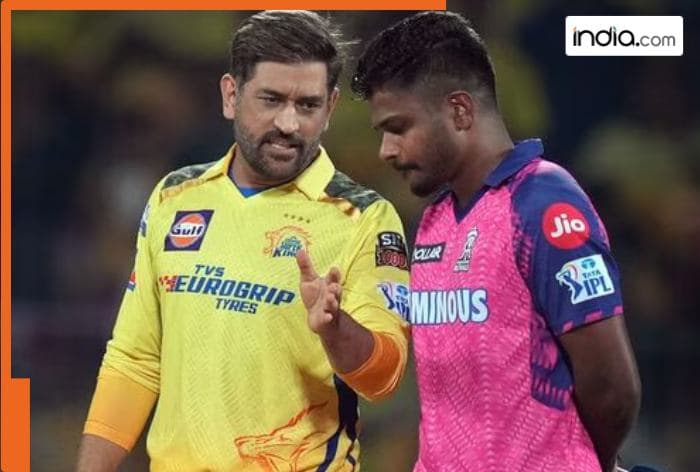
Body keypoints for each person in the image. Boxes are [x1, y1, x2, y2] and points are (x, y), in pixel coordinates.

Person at [76, 10, 410, 471]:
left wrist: (336, 330)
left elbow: (385, 378)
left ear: (331, 107)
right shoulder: (175, 197)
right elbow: (135, 359)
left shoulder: (364, 218)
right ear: (231, 95)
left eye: (308, 105)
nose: (289, 123)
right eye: (271, 100)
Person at [352, 11, 641, 472]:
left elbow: (611, 387)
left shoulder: (542, 201)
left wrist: (580, 461)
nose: (387, 150)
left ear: (460, 111)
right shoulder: (434, 221)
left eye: (399, 127)